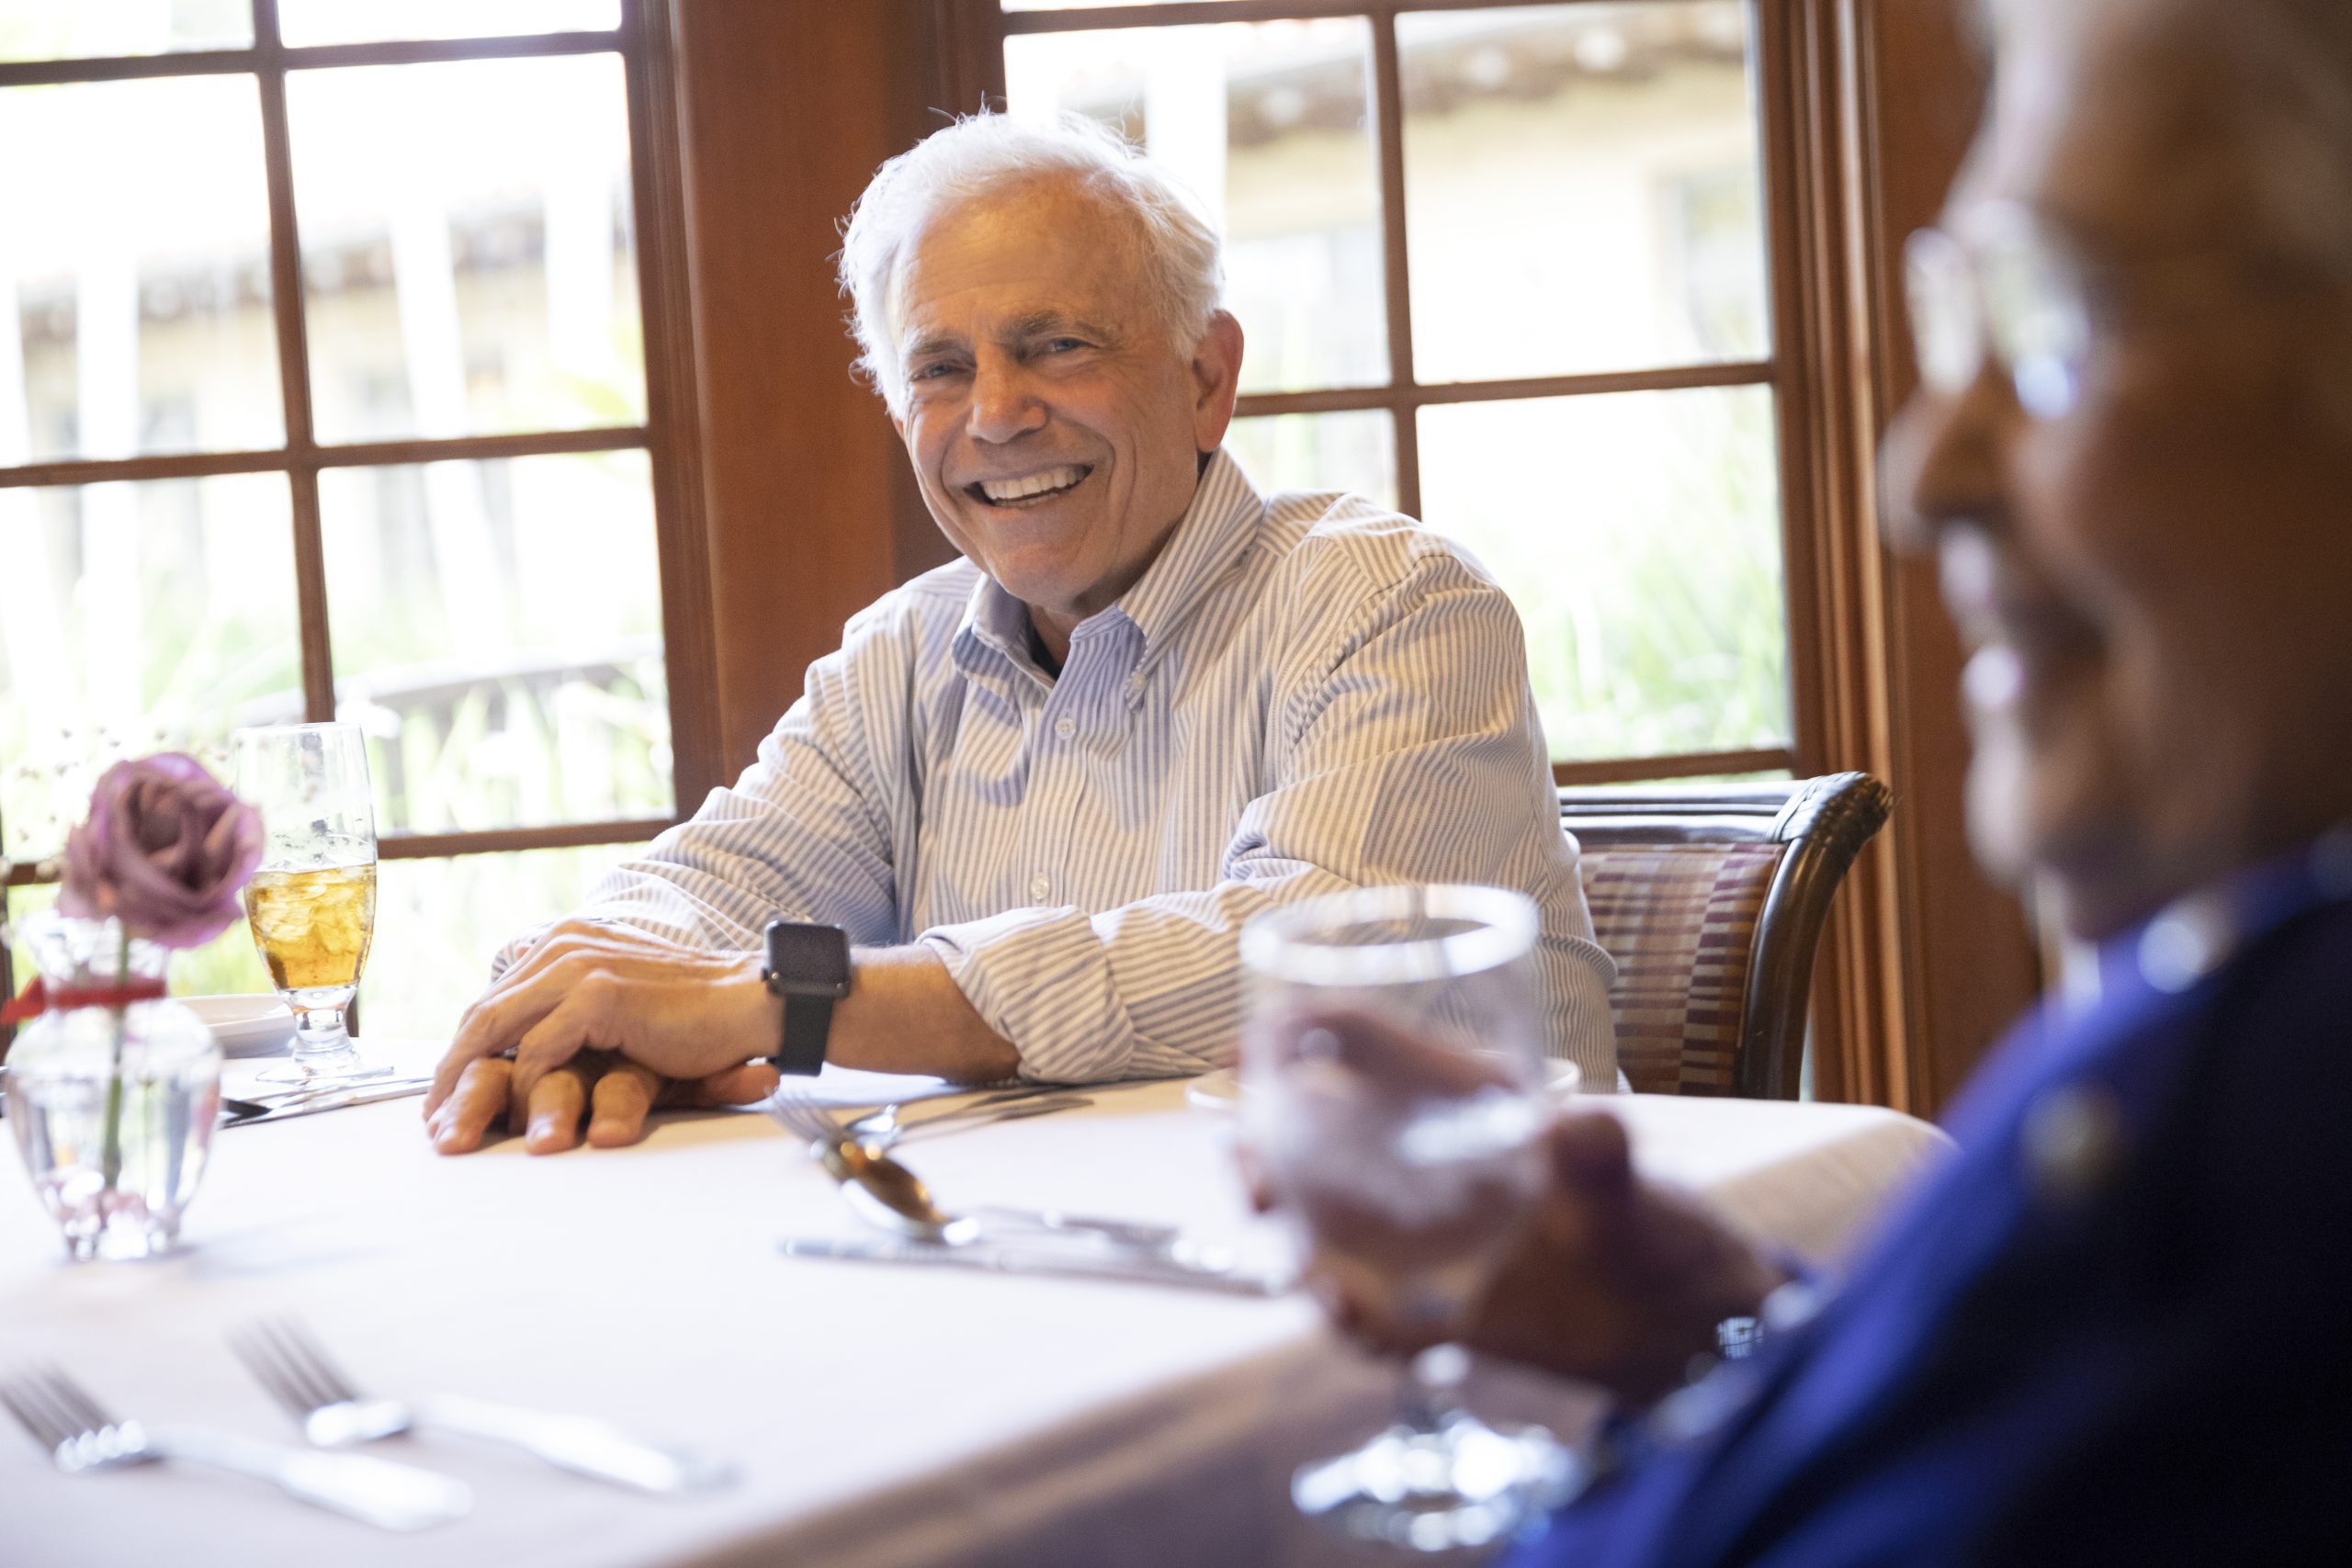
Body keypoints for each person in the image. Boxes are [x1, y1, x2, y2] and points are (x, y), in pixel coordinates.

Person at [1286, 0, 2352, 1560]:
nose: (1921, 474)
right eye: (1960, 315)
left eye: (2057, 323)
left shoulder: (2277, 1099)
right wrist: (1733, 1338)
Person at [423, 113, 1617, 1156]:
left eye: (1056, 346)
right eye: (940, 369)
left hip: (1449, 1306)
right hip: (1049, 1280)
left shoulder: (1393, 603)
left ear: (1206, 376)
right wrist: (594, 1013)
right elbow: (703, 890)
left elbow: (1297, 971)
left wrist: (784, 997)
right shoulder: (901, 654)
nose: (996, 415)